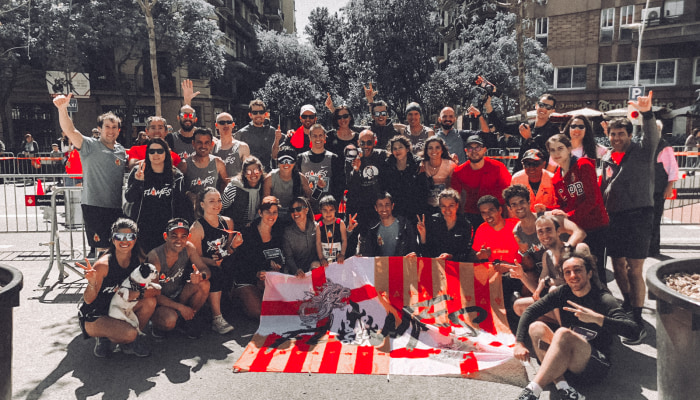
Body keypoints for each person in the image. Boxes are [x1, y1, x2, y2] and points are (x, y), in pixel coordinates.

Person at [513, 252, 637, 400]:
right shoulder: (563, 293)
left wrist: (597, 318)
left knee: (562, 333)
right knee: (536, 327)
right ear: (564, 277)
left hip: (594, 367)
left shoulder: (603, 299)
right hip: (565, 365)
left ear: (589, 273)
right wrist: (519, 342)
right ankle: (564, 387)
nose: (573, 275)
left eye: (578, 270)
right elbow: (531, 311)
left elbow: (633, 331)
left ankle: (532, 391)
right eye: (567, 272)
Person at [600, 91, 660, 344]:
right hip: (615, 218)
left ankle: (636, 318)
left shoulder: (643, 151)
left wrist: (646, 113)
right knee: (618, 266)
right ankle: (627, 304)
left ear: (629, 135)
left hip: (638, 216)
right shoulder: (607, 157)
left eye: (621, 134)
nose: (616, 138)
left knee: (634, 270)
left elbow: (652, 135)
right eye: (612, 134)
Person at [53, 94, 127, 258]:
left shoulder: (121, 150)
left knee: (114, 249)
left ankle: (110, 281)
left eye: (114, 127)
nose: (111, 131)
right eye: (107, 126)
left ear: (119, 130)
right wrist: (62, 109)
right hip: (94, 207)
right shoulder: (88, 145)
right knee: (100, 250)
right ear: (99, 129)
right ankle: (96, 283)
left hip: (114, 207)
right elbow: (70, 130)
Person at [77, 218, 157, 358]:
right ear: (113, 239)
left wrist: (137, 293)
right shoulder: (103, 265)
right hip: (97, 314)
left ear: (135, 239)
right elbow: (89, 301)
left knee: (150, 302)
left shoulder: (139, 260)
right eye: (119, 236)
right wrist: (91, 283)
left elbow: (156, 289)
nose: (124, 241)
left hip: (120, 308)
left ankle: (128, 343)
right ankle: (105, 337)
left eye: (129, 236)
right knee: (129, 333)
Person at [547, 134, 609, 283]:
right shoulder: (556, 178)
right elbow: (563, 205)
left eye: (560, 148)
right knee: (580, 271)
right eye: (552, 150)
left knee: (596, 270)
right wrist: (549, 208)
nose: (556, 154)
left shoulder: (583, 165)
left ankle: (605, 304)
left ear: (569, 149)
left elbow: (592, 199)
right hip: (576, 229)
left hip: (595, 226)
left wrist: (568, 216)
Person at [512, 215, 590, 317]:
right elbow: (538, 291)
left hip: (582, 304)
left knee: (553, 290)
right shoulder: (546, 256)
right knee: (519, 306)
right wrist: (522, 276)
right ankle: (559, 324)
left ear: (558, 231)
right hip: (560, 305)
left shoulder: (577, 249)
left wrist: (550, 282)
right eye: (540, 232)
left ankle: (566, 328)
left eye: (548, 230)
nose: (545, 235)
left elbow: (584, 284)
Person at [189, 187, 242, 334]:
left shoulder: (228, 222)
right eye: (211, 201)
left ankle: (233, 301)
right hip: (206, 265)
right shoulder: (197, 228)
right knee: (216, 273)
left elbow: (229, 250)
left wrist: (234, 246)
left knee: (236, 263)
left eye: (219, 200)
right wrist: (214, 262)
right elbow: (195, 258)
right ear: (202, 204)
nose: (217, 204)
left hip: (223, 261)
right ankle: (217, 318)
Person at [124, 138, 193, 252]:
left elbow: (181, 204)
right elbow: (129, 198)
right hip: (143, 227)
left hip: (167, 228)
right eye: (152, 151)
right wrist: (138, 181)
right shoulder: (139, 170)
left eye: (160, 151)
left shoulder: (176, 175)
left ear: (166, 153)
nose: (156, 154)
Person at [147, 218, 211, 339]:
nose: (179, 240)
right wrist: (181, 308)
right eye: (174, 236)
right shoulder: (155, 257)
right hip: (160, 300)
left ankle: (186, 320)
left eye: (183, 236)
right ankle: (157, 324)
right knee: (169, 321)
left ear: (188, 237)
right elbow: (153, 293)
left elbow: (204, 269)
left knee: (204, 284)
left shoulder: (189, 248)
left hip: (178, 294)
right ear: (165, 236)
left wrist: (200, 276)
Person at [503, 184, 586, 274]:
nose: (519, 207)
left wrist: (566, 250)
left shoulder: (549, 217)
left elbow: (579, 232)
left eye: (521, 202)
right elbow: (531, 266)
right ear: (509, 208)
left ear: (528, 202)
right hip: (549, 276)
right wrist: (524, 253)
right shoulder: (517, 232)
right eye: (514, 204)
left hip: (571, 267)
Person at [231, 196, 285, 319]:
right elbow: (240, 263)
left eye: (274, 212)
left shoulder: (279, 231)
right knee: (259, 313)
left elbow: (282, 257)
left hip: (269, 280)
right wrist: (256, 273)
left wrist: (277, 268)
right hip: (247, 278)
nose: (271, 215)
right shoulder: (247, 232)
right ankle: (238, 298)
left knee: (281, 310)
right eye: (267, 212)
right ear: (260, 213)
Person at [450, 135, 512, 235]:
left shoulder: (498, 167)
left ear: (484, 150)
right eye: (470, 148)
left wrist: (508, 215)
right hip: (472, 214)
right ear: (466, 151)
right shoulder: (459, 171)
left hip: (496, 213)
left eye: (477, 147)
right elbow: (454, 197)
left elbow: (509, 192)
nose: (474, 151)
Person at [471, 195, 522, 306]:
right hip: (492, 277)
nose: (487, 216)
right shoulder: (482, 229)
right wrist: (480, 256)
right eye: (483, 213)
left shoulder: (516, 226)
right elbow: (472, 257)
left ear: (500, 210)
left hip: (515, 275)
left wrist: (509, 266)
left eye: (491, 210)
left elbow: (530, 262)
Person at [417, 189, 477, 262]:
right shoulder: (432, 222)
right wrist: (423, 236)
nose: (447, 210)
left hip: (456, 268)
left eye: (451, 205)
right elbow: (424, 253)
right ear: (439, 206)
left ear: (457, 205)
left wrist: (451, 257)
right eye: (443, 206)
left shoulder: (465, 224)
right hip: (435, 267)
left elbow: (467, 254)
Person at [296, 124, 345, 213]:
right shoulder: (301, 158)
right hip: (306, 210)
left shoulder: (333, 158)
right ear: (309, 137)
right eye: (314, 136)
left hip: (327, 211)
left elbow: (339, 186)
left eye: (320, 135)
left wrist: (333, 207)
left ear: (325, 137)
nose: (318, 139)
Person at [346, 129, 387, 231]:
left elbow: (399, 155)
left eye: (369, 142)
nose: (365, 146)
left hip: (376, 205)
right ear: (358, 143)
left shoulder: (381, 155)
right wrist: (356, 170)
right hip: (358, 205)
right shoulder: (352, 157)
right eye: (362, 143)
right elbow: (351, 185)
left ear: (374, 142)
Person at [649, 120, 679, 256]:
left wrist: (669, 187)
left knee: (654, 220)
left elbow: (673, 168)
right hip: (646, 190)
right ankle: (647, 248)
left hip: (658, 189)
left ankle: (653, 249)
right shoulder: (647, 145)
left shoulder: (664, 147)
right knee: (646, 220)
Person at [380, 135, 426, 220]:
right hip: (395, 210)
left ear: (407, 149)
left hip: (414, 209)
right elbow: (383, 186)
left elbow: (423, 189)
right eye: (395, 148)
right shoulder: (387, 165)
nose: (397, 150)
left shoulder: (417, 164)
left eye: (400, 147)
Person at [358, 192, 417, 257]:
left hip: (401, 266)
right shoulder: (372, 229)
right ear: (376, 208)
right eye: (380, 205)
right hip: (381, 266)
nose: (384, 209)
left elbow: (415, 250)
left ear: (392, 206)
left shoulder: (405, 226)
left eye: (387, 205)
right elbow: (368, 254)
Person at [512, 94, 560, 174]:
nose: (543, 109)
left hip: (538, 176)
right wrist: (488, 106)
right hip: (520, 173)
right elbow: (501, 127)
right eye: (541, 105)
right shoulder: (527, 127)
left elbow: (547, 157)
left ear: (552, 110)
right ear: (536, 106)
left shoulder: (553, 130)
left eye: (548, 107)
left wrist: (529, 139)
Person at [262, 146, 312, 223]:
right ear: (278, 162)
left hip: (294, 215)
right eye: (282, 160)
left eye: (290, 160)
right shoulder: (270, 178)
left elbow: (311, 199)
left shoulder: (301, 178)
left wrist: (319, 188)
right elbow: (265, 204)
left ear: (294, 162)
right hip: (275, 216)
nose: (286, 164)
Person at [179, 128, 229, 202]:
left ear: (211, 144)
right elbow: (177, 188)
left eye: (206, 143)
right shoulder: (185, 164)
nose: (203, 146)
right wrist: (187, 194)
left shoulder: (218, 162)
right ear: (193, 144)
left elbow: (225, 182)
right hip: (192, 210)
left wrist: (218, 198)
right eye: (199, 142)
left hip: (212, 209)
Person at [233, 99, 282, 171]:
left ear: (265, 114)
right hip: (249, 175)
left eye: (261, 112)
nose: (258, 115)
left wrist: (290, 133)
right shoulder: (241, 134)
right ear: (250, 115)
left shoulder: (272, 131)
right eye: (255, 112)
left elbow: (275, 156)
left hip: (267, 174)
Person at [222, 156, 265, 229]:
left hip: (254, 227)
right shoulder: (233, 188)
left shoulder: (263, 186)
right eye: (248, 172)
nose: (253, 174)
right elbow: (220, 207)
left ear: (261, 172)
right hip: (233, 227)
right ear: (244, 174)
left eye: (256, 171)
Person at [282, 197, 320, 277]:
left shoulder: (317, 227)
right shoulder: (288, 233)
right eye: (292, 210)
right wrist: (296, 270)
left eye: (298, 209)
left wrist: (348, 231)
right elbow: (288, 257)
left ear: (306, 210)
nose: (295, 213)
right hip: (296, 275)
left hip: (315, 272)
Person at [316, 195, 356, 265]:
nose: (328, 213)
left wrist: (342, 254)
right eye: (325, 210)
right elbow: (318, 243)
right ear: (320, 210)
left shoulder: (340, 223)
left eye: (331, 210)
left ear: (335, 210)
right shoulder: (319, 226)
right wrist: (321, 258)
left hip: (339, 259)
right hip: (325, 260)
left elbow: (344, 240)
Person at [419, 137, 456, 213]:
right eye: (430, 148)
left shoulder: (450, 165)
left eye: (437, 147)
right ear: (426, 151)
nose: (434, 151)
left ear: (442, 150)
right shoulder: (421, 165)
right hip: (426, 208)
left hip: (445, 208)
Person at [213, 112, 250, 178]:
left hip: (235, 186)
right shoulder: (213, 147)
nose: (226, 125)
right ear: (216, 125)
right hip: (217, 186)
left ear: (233, 125)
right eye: (222, 122)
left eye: (229, 122)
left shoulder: (242, 146)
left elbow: (247, 171)